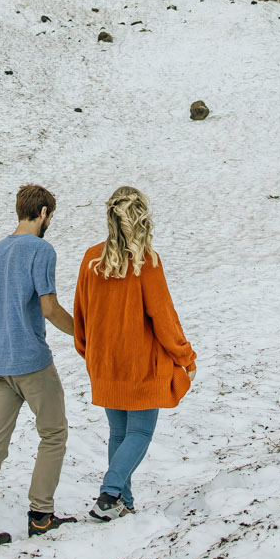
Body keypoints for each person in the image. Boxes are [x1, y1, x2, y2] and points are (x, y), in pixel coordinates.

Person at [71, 185, 196, 521]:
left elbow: (80, 313)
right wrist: (186, 357)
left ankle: (122, 500)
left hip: (104, 361)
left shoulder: (91, 260)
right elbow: (164, 319)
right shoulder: (146, 263)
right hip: (139, 364)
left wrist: (90, 352)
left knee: (119, 433)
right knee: (139, 433)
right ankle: (110, 492)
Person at [0, 183, 78, 553]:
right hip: (31, 362)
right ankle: (41, 515)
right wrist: (85, 333)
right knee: (54, 434)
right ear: (44, 213)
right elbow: (49, 308)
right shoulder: (41, 250)